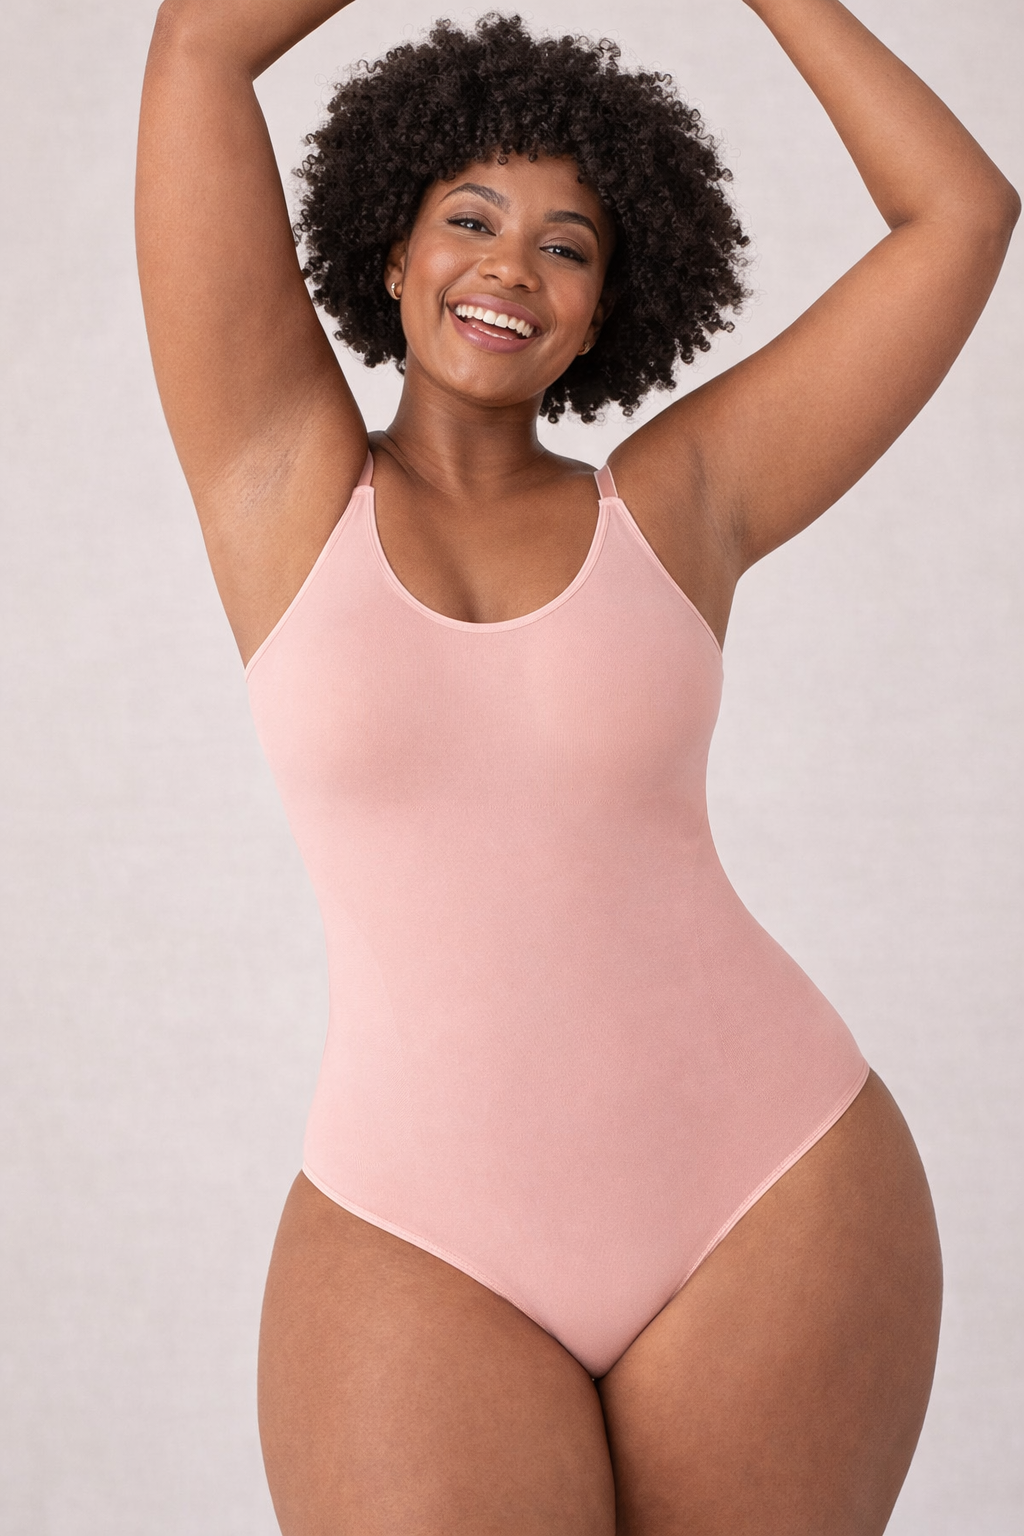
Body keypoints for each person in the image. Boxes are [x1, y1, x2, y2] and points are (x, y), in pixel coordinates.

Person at [136, 2, 1018, 1531]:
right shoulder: (279, 480)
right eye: (471, 219)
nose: (510, 268)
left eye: (568, 246)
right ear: (392, 252)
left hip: (771, 1182)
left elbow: (963, 215)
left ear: (605, 309)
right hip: (418, 1223)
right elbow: (197, 47)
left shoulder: (677, 504)